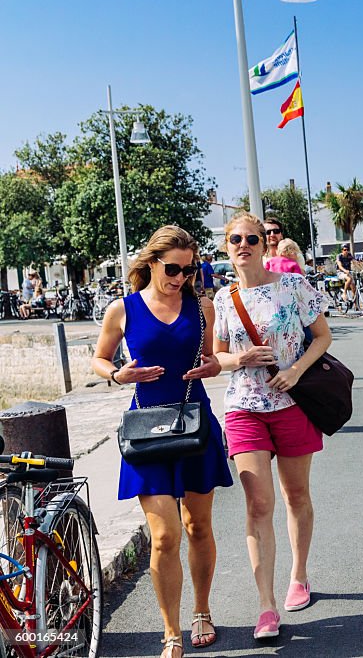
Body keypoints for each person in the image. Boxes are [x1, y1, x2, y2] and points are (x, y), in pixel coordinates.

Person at [91, 226, 232, 658]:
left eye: (188, 270)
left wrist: (212, 368)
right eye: (173, 269)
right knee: (165, 536)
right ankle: (171, 631)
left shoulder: (202, 306)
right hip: (147, 432)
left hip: (194, 425)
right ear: (151, 262)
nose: (180, 278)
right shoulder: (123, 310)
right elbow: (99, 359)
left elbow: (211, 360)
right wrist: (117, 374)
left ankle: (202, 612)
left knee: (198, 526)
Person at [213, 212, 332, 642]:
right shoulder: (223, 299)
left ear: (265, 245)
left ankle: (298, 575)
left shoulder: (293, 286)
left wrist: (297, 370)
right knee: (258, 503)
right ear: (226, 247)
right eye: (234, 239)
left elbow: (322, 336)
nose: (242, 245)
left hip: (293, 404)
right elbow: (216, 358)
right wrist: (240, 359)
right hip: (244, 407)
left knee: (295, 494)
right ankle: (265, 607)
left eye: (250, 238)